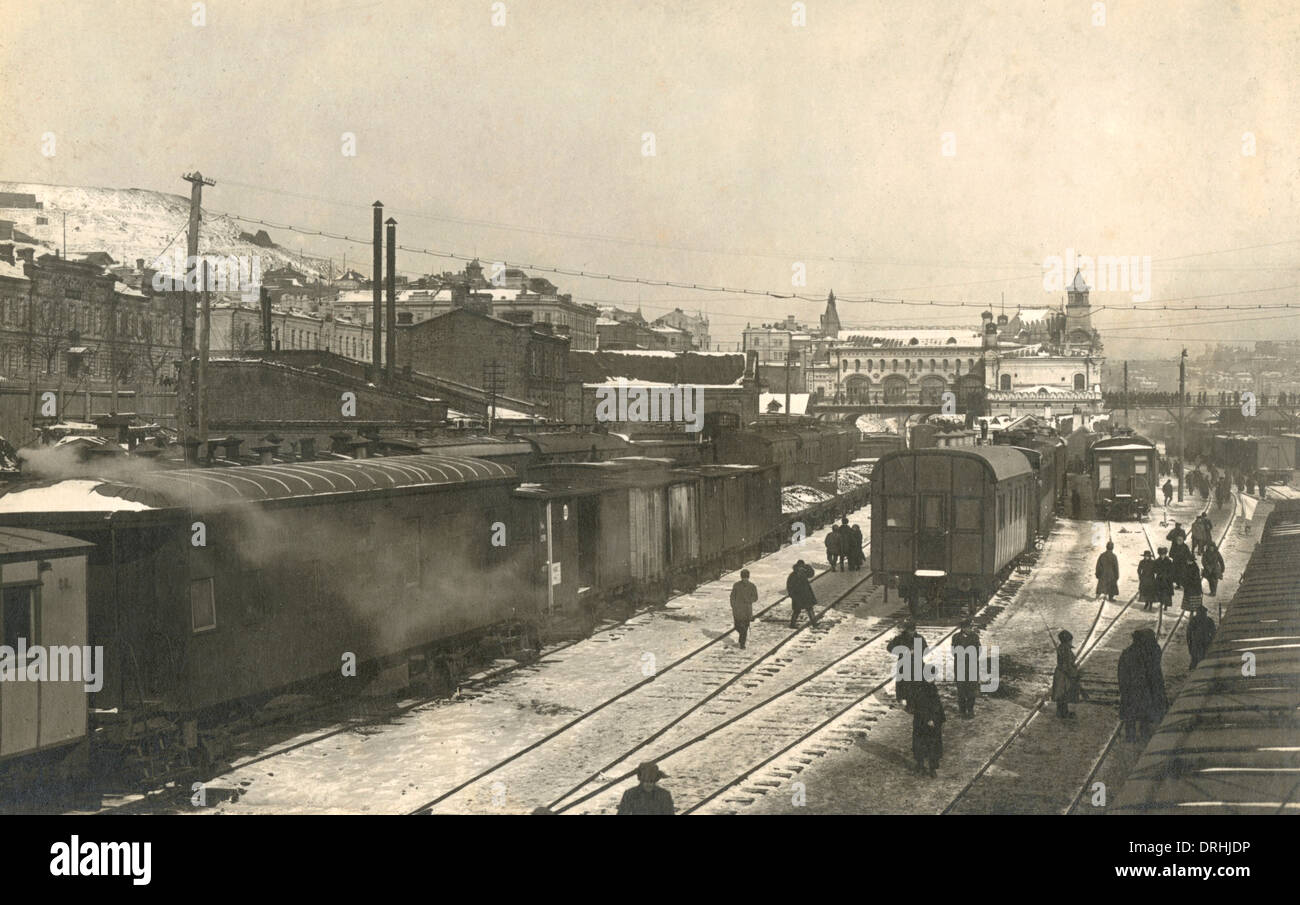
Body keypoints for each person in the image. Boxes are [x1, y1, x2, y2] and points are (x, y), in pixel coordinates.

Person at [1117, 629, 1167, 743]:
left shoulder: (1127, 653)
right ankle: (1144, 736)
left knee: (1130, 716)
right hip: (1144, 690)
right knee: (1145, 715)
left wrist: (1123, 689)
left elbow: (1121, 674)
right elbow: (1154, 673)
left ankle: (1130, 737)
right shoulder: (1149, 652)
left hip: (1130, 690)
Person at [888, 619, 927, 712]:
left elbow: (925, 649)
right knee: (907, 686)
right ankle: (910, 705)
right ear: (907, 630)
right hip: (904, 665)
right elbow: (890, 647)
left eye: (913, 630)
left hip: (917, 664)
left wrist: (916, 652)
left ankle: (917, 705)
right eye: (910, 631)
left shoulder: (919, 638)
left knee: (917, 685)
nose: (911, 633)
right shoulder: (900, 638)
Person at [911, 678, 945, 777]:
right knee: (925, 744)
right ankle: (922, 766)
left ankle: (930, 768)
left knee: (928, 744)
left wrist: (935, 719)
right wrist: (929, 719)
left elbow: (936, 706)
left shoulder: (927, 687)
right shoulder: (924, 688)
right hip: (925, 721)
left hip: (928, 721)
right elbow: (921, 706)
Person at [952, 618, 980, 718]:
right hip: (960, 667)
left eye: (971, 627)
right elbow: (954, 652)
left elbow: (978, 651)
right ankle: (962, 711)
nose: (971, 629)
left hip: (972, 666)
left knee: (971, 690)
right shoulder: (956, 637)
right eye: (969, 627)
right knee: (961, 690)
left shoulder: (975, 637)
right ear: (964, 628)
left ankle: (970, 710)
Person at [1051, 630, 1082, 718]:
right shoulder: (1066, 650)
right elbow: (1067, 664)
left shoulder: (1061, 647)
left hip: (1060, 673)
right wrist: (1074, 674)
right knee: (1063, 694)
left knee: (1061, 694)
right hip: (1064, 675)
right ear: (1068, 640)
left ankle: (1062, 712)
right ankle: (1063, 713)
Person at [729, 569, 758, 649]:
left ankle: (742, 644)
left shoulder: (752, 586)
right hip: (737, 610)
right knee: (737, 626)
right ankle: (742, 639)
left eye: (746, 577)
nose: (744, 579)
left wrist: (749, 600)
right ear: (741, 577)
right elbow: (732, 596)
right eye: (743, 577)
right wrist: (733, 605)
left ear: (748, 577)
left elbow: (755, 597)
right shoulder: (736, 585)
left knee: (744, 628)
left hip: (746, 610)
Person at [786, 561, 819, 628]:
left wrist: (808, 567)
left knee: (810, 609)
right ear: (797, 567)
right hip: (797, 596)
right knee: (797, 610)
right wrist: (792, 595)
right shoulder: (793, 575)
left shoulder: (804, 573)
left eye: (802, 567)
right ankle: (792, 624)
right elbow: (789, 586)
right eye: (800, 567)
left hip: (806, 595)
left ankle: (814, 623)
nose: (801, 568)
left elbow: (811, 574)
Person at [1186, 604, 1217, 669]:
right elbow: (1214, 633)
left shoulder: (1194, 620)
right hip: (1201, 642)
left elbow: (1188, 634)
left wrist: (1189, 644)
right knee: (1199, 658)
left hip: (1200, 642)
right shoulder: (1208, 620)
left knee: (1196, 658)